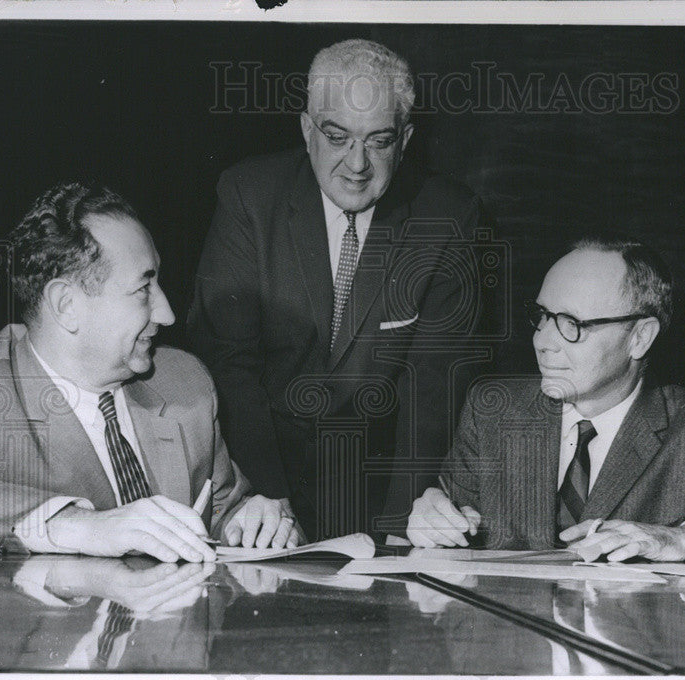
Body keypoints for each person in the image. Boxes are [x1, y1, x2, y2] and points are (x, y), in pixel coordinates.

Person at [187, 39, 483, 541]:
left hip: (382, 496)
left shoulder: (450, 219)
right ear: (307, 130)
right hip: (260, 487)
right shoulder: (249, 196)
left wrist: (397, 528)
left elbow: (432, 389)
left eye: (379, 141)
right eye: (337, 135)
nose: (357, 163)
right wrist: (267, 501)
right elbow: (230, 362)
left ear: (405, 139)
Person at [0, 182, 303, 560]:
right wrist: (78, 524)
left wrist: (254, 523)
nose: (167, 314)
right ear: (66, 305)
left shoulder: (183, 382)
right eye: (144, 289)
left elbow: (224, 510)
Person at [406, 238, 685, 562]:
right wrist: (435, 522)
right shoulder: (494, 411)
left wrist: (684, 539)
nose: (543, 341)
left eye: (571, 323)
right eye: (543, 316)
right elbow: (454, 525)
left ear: (640, 337)